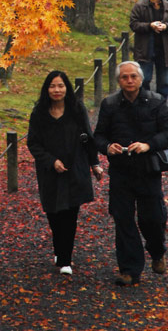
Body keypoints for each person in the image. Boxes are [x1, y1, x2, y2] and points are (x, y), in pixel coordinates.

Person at [94, 61, 168, 286]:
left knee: (152, 219)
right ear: (119, 80)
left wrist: (148, 145)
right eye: (124, 77)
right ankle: (129, 269)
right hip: (121, 171)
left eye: (133, 77)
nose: (129, 81)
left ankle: (157, 251)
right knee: (123, 220)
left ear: (140, 79)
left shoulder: (156, 102)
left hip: (148, 170)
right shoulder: (110, 104)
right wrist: (107, 146)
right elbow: (99, 136)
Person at [27, 70, 103, 276]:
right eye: (52, 86)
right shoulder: (39, 113)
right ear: (47, 89)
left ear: (67, 88)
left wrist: (94, 163)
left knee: (70, 214)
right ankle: (59, 249)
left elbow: (88, 137)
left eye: (60, 86)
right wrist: (51, 161)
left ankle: (65, 258)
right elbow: (33, 143)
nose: (57, 90)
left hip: (75, 168)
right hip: (50, 172)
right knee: (53, 213)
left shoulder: (76, 110)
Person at [129, 0, 168, 98]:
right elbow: (133, 24)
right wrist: (149, 26)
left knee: (165, 82)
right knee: (144, 80)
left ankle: (160, 106)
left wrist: (166, 26)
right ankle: (145, 104)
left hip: (164, 50)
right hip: (145, 49)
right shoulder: (140, 6)